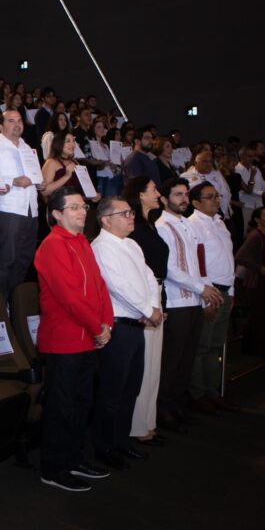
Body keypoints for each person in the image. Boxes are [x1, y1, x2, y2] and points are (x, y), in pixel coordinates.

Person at [35, 188, 114, 492]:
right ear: (57, 214)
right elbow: (69, 297)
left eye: (83, 207)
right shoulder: (52, 246)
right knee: (61, 407)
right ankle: (53, 468)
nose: (82, 212)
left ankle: (74, 458)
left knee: (81, 404)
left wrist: (107, 323)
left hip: (88, 338)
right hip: (65, 340)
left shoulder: (82, 241)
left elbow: (100, 286)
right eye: (74, 207)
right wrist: (97, 327)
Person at [91, 197, 161, 469]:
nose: (131, 217)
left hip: (137, 324)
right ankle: (104, 447)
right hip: (118, 327)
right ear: (106, 220)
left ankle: (122, 442)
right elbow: (117, 286)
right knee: (112, 391)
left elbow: (149, 277)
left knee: (130, 388)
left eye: (131, 212)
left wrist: (152, 307)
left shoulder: (132, 244)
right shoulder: (101, 247)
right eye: (124, 213)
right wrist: (147, 309)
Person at [155, 177, 223, 432]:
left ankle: (176, 406)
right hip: (176, 301)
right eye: (177, 195)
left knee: (186, 359)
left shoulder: (187, 224)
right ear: (164, 199)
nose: (183, 199)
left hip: (193, 299)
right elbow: (170, 268)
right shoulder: (162, 226)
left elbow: (198, 263)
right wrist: (201, 288)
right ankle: (163, 410)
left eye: (185, 194)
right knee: (172, 360)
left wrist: (206, 292)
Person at [122, 176, 169, 447]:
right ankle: (137, 426)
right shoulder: (135, 229)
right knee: (143, 366)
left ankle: (148, 424)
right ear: (140, 194)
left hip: (156, 293)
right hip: (143, 300)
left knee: (153, 366)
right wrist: (147, 304)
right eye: (153, 190)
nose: (158, 194)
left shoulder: (149, 225)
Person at [187, 182, 239, 414]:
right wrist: (205, 298)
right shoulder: (193, 225)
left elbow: (228, 259)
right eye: (210, 197)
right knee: (201, 346)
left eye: (217, 196)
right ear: (196, 202)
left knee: (216, 345)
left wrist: (232, 292)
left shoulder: (220, 222)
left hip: (225, 290)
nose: (216, 200)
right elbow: (197, 265)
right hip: (209, 292)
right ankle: (198, 395)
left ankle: (212, 392)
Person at [0, 108, 40, 305]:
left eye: (19, 121)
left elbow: (35, 175)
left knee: (24, 259)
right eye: (11, 121)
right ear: (1, 126)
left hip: (30, 209)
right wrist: (13, 181)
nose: (17, 125)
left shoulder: (27, 147)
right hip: (8, 208)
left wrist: (39, 182)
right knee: (7, 259)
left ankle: (15, 305)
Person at [235, 206, 265, 359]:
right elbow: (240, 257)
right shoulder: (255, 235)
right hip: (259, 281)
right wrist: (259, 268)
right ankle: (257, 350)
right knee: (261, 316)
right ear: (257, 219)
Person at [235, 146, 265, 230]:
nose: (252, 158)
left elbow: (262, 183)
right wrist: (262, 193)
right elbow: (246, 189)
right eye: (249, 156)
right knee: (245, 230)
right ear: (242, 156)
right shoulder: (236, 169)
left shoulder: (256, 169)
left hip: (258, 205)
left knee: (260, 230)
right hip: (245, 205)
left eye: (253, 156)